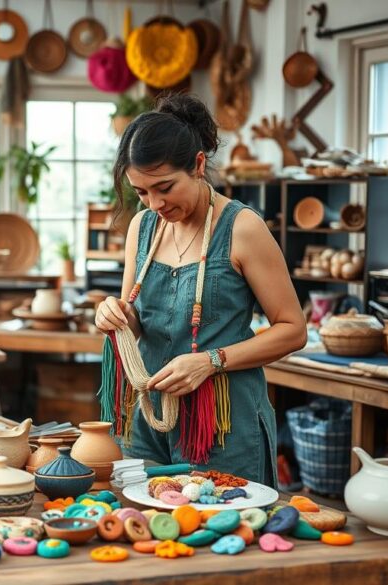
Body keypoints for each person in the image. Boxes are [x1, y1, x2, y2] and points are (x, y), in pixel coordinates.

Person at [94, 93, 306, 486]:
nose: (154, 203)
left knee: (223, 518)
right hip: (149, 415)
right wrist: (115, 314)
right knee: (144, 515)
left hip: (222, 423)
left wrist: (211, 361)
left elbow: (293, 330)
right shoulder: (143, 227)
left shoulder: (242, 228)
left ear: (198, 165)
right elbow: (135, 319)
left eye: (165, 187)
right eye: (141, 191)